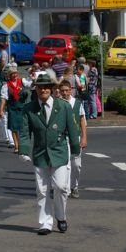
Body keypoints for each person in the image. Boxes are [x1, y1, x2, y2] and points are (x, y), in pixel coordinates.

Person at [18, 74, 81, 235]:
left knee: (61, 187)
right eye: (40, 87)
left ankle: (61, 216)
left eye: (46, 87)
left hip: (59, 152)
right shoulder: (29, 108)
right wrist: (23, 150)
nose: (43, 90)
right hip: (40, 153)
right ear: (36, 90)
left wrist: (75, 149)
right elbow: (24, 132)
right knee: (42, 190)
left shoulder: (64, 106)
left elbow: (73, 129)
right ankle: (45, 223)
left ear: (52, 89)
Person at [59, 80, 87, 199]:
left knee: (76, 165)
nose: (65, 93)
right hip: (62, 138)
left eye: (67, 90)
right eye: (62, 91)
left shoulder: (77, 103)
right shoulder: (58, 103)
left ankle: (74, 186)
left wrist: (84, 137)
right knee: (65, 164)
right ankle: (65, 188)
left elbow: (82, 120)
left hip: (75, 136)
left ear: (71, 90)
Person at [0, 66, 29, 152]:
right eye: (13, 74)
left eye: (16, 73)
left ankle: (22, 145)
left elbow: (30, 84)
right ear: (9, 75)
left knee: (23, 128)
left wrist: (33, 78)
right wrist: (1, 110)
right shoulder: (6, 86)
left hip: (22, 108)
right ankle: (16, 146)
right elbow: (3, 99)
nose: (15, 75)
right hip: (12, 109)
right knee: (14, 128)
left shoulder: (22, 81)